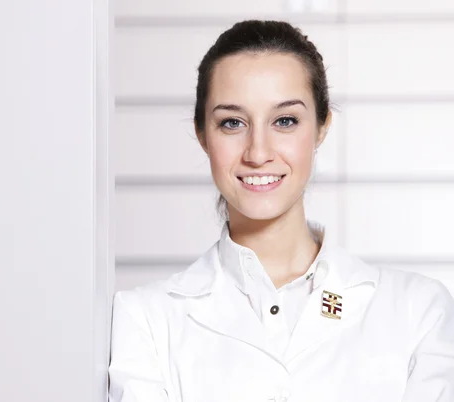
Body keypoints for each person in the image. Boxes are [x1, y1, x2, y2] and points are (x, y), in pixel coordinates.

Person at [108, 20, 454, 402]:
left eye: (285, 121)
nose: (258, 153)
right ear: (203, 134)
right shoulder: (145, 320)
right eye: (232, 123)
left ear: (321, 127)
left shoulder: (417, 310)